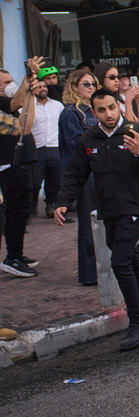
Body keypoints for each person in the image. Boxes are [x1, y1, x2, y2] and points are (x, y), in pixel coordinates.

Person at [54, 88, 139, 350]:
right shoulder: (89, 138)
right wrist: (63, 203)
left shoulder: (136, 131)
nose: (108, 114)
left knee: (120, 261)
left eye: (112, 107)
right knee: (132, 262)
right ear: (93, 112)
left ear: (119, 106)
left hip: (136, 208)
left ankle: (137, 323)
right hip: (108, 211)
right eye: (101, 110)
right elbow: (75, 173)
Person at [58, 69, 100, 286]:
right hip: (85, 174)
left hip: (102, 171)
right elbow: (75, 144)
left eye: (93, 83)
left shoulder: (96, 110)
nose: (91, 87)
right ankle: (89, 274)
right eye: (86, 84)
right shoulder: (70, 113)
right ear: (73, 87)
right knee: (88, 223)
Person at [0, 62, 39, 278]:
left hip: (20, 161)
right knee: (17, 210)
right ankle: (12, 257)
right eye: (6, 82)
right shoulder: (4, 103)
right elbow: (19, 105)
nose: (11, 84)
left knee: (21, 210)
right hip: (9, 163)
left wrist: (28, 83)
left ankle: (16, 254)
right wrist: (28, 83)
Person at [28, 68, 68, 219]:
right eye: (40, 86)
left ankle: (52, 207)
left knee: (56, 180)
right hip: (36, 148)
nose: (43, 88)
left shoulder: (57, 105)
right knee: (34, 182)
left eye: (44, 86)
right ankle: (30, 209)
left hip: (55, 147)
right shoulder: (28, 106)